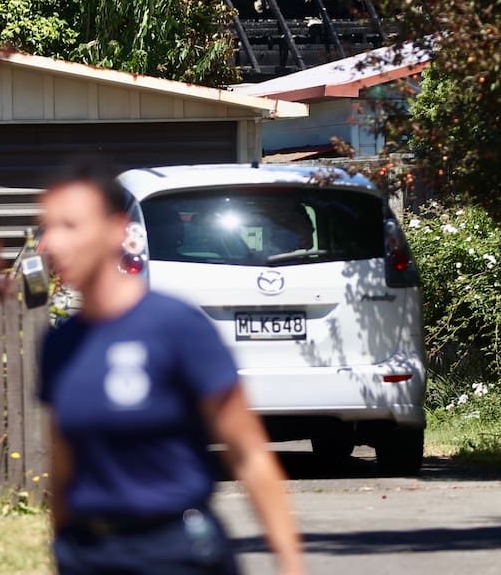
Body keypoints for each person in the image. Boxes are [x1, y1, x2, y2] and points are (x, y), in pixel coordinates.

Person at [37, 163, 307, 575]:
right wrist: (62, 546)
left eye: (70, 226)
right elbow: (63, 464)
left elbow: (249, 453)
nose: (52, 243)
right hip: (88, 554)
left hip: (174, 551)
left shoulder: (176, 327)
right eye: (48, 227)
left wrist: (290, 563)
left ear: (116, 230)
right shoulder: (59, 344)